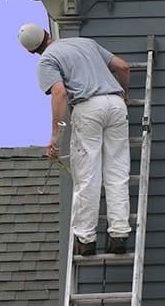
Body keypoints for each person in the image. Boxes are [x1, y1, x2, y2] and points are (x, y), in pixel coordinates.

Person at [18, 23, 131, 256]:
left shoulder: (47, 61)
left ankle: (86, 240)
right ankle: (119, 236)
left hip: (87, 108)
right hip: (116, 104)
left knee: (88, 177)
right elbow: (123, 67)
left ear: (30, 51)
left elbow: (59, 92)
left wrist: (54, 137)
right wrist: (123, 95)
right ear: (48, 34)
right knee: (117, 173)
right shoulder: (85, 42)